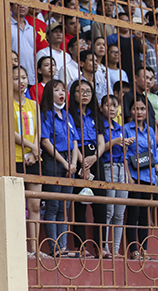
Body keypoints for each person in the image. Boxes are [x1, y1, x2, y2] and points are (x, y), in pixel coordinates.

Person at [68, 79, 107, 258]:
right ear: (73, 93)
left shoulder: (96, 115)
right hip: (78, 157)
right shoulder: (69, 114)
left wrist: (94, 157)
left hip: (95, 159)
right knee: (79, 205)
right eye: (79, 91)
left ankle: (101, 247)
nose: (83, 94)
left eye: (87, 91)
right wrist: (83, 162)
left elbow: (101, 142)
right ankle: (81, 246)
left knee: (101, 204)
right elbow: (73, 141)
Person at [40, 79, 79, 257]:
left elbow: (76, 142)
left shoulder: (68, 115)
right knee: (53, 205)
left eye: (63, 90)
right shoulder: (46, 115)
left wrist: (74, 163)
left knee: (65, 206)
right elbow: (45, 141)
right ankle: (54, 247)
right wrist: (65, 162)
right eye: (57, 90)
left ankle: (63, 246)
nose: (62, 93)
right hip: (54, 162)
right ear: (50, 93)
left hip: (70, 163)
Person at [124, 97, 158, 260]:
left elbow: (154, 154)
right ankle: (133, 250)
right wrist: (128, 177)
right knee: (133, 213)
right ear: (130, 111)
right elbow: (124, 156)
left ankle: (144, 250)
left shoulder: (150, 131)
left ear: (147, 112)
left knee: (145, 216)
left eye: (142, 109)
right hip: (134, 175)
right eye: (135, 109)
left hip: (149, 176)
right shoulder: (126, 129)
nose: (138, 112)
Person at [12, 65, 43, 258]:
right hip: (14, 157)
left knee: (35, 205)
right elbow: (9, 129)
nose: (21, 81)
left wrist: (34, 150)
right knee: (16, 205)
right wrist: (30, 146)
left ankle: (34, 248)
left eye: (24, 77)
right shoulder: (6, 103)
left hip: (33, 157)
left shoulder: (34, 104)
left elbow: (38, 131)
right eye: (16, 78)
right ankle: (19, 248)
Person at [100, 94, 130, 257]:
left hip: (121, 168)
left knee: (120, 212)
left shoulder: (120, 128)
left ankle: (116, 250)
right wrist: (115, 141)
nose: (111, 108)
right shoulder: (101, 127)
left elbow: (124, 155)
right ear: (101, 107)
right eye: (107, 105)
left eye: (114, 105)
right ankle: (105, 248)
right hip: (108, 166)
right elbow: (100, 149)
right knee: (109, 210)